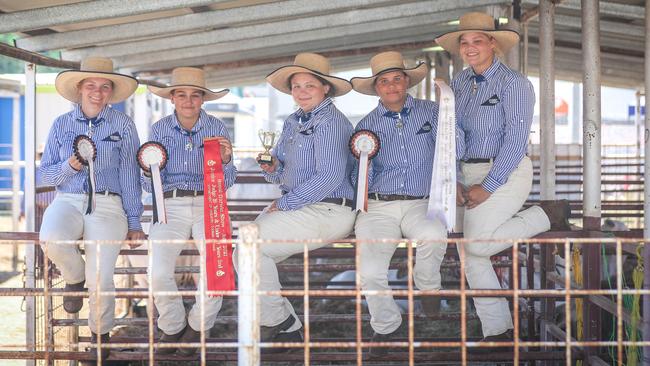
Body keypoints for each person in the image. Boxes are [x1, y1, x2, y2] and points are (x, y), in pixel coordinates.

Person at [435, 12, 570, 349]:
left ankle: (544, 215)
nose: (469, 48)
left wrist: (489, 185)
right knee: (473, 254)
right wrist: (454, 179)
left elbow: (515, 140)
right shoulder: (460, 83)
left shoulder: (514, 84)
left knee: (477, 246)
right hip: (468, 172)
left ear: (493, 43)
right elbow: (451, 134)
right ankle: (498, 331)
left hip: (506, 170)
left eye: (477, 41)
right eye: (464, 43)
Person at [233, 53, 356, 352]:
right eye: (296, 86)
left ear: (325, 88)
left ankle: (282, 323)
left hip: (330, 207)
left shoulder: (330, 122)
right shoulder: (293, 120)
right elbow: (281, 174)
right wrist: (272, 168)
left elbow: (329, 176)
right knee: (247, 252)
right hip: (305, 204)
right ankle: (283, 323)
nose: (301, 91)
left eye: (309, 85)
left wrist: (287, 204)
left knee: (248, 249)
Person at [39, 56, 144, 359]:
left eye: (105, 87)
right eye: (91, 86)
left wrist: (134, 221)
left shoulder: (123, 125)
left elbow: (129, 174)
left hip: (109, 204)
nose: (97, 93)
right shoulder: (61, 125)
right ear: (80, 89)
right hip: (68, 198)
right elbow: (44, 173)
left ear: (111, 92)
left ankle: (100, 334)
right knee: (52, 239)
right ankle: (74, 276)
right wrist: (70, 165)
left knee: (102, 276)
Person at [350, 51, 450, 357]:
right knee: (368, 270)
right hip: (380, 207)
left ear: (406, 81)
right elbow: (358, 174)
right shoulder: (365, 126)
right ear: (376, 87)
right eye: (384, 81)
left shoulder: (432, 112)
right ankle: (386, 326)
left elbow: (452, 144)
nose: (391, 86)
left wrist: (449, 108)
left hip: (422, 201)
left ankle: (428, 286)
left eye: (397, 78)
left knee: (434, 235)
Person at [143, 67, 236, 356]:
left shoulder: (217, 128)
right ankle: (172, 325)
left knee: (217, 266)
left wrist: (226, 160)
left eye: (195, 95)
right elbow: (148, 184)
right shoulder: (158, 130)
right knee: (157, 271)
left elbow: (228, 182)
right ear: (172, 98)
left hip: (210, 203)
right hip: (168, 204)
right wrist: (147, 170)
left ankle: (198, 325)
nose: (188, 101)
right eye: (181, 94)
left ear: (203, 99)